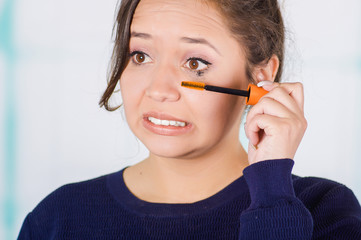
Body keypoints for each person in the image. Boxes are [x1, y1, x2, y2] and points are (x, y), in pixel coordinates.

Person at [18, 0, 361, 239]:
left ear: (260, 78)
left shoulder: (324, 211)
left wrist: (271, 189)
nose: (159, 90)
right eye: (140, 55)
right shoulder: (58, 218)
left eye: (196, 63)